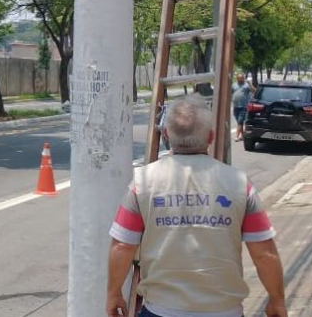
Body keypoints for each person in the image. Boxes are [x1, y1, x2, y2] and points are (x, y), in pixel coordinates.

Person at [106, 98, 288, 317]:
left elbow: (122, 247)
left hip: (161, 310)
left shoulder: (142, 184)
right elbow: (264, 254)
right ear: (210, 137)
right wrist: (276, 300)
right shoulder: (240, 185)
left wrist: (113, 293)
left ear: (166, 136)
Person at [231, 73, 255, 142]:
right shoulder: (234, 85)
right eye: (239, 78)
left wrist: (250, 84)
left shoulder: (246, 85)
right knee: (240, 123)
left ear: (244, 78)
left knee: (240, 121)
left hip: (243, 107)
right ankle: (243, 135)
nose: (240, 79)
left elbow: (254, 91)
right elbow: (231, 93)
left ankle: (237, 136)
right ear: (237, 78)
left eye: (242, 78)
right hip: (236, 106)